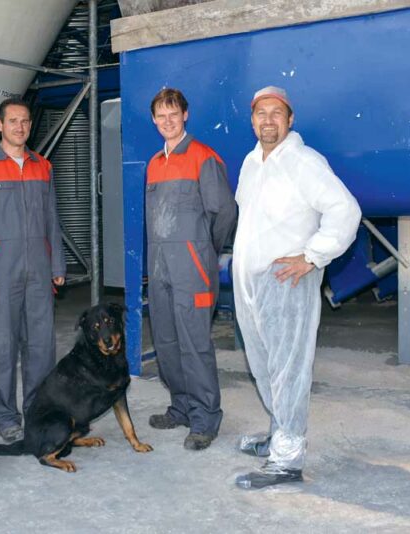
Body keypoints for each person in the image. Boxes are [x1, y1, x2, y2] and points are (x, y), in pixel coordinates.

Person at [232, 86, 361, 489]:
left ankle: (287, 460)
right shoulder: (252, 163)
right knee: (264, 363)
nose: (268, 120)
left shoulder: (303, 162)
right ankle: (279, 433)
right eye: (261, 113)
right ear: (252, 120)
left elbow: (345, 210)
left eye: (276, 113)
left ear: (290, 120)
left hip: (287, 281)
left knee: (289, 367)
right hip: (251, 283)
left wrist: (312, 256)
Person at [0, 97, 65, 443]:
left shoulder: (43, 166)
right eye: (13, 121)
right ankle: (6, 416)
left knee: (41, 346)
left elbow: (52, 219)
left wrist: (57, 263)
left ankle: (37, 412)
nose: (20, 127)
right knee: (3, 346)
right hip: (0, 271)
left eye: (25, 121)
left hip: (38, 269)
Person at [145, 88, 237, 451]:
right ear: (154, 120)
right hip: (160, 268)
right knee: (166, 342)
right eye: (160, 116)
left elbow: (225, 211)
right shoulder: (154, 163)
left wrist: (205, 250)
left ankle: (205, 419)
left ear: (185, 115)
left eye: (173, 114)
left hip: (193, 268)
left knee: (195, 345)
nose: (167, 122)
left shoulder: (203, 157)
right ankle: (181, 406)